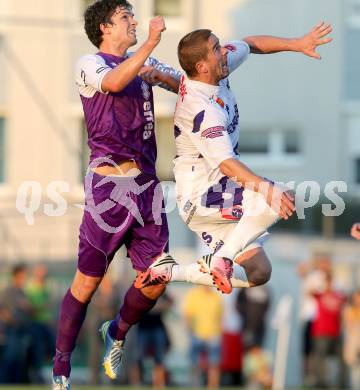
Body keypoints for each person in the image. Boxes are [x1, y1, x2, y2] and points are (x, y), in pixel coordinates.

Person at [52, 1, 182, 388]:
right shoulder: (89, 63)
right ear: (106, 27)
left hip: (147, 188)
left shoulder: (141, 65)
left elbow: (190, 83)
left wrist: (161, 74)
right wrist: (149, 48)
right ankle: (61, 367)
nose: (136, 22)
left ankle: (118, 332)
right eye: (127, 17)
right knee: (87, 283)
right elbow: (112, 83)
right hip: (109, 189)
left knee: (158, 276)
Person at [154, 23, 332, 294]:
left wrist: (297, 43)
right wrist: (265, 188)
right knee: (275, 195)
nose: (224, 51)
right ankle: (221, 258)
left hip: (219, 192)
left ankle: (173, 270)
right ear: (202, 66)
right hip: (202, 196)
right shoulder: (203, 110)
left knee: (260, 273)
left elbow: (249, 43)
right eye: (216, 49)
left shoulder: (216, 71)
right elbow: (226, 163)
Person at [183, 285, 223, 388]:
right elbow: (188, 314)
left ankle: (213, 386)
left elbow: (220, 316)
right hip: (197, 334)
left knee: (214, 363)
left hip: (213, 334)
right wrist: (189, 330)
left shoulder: (216, 296)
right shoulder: (194, 295)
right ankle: (195, 385)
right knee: (195, 362)